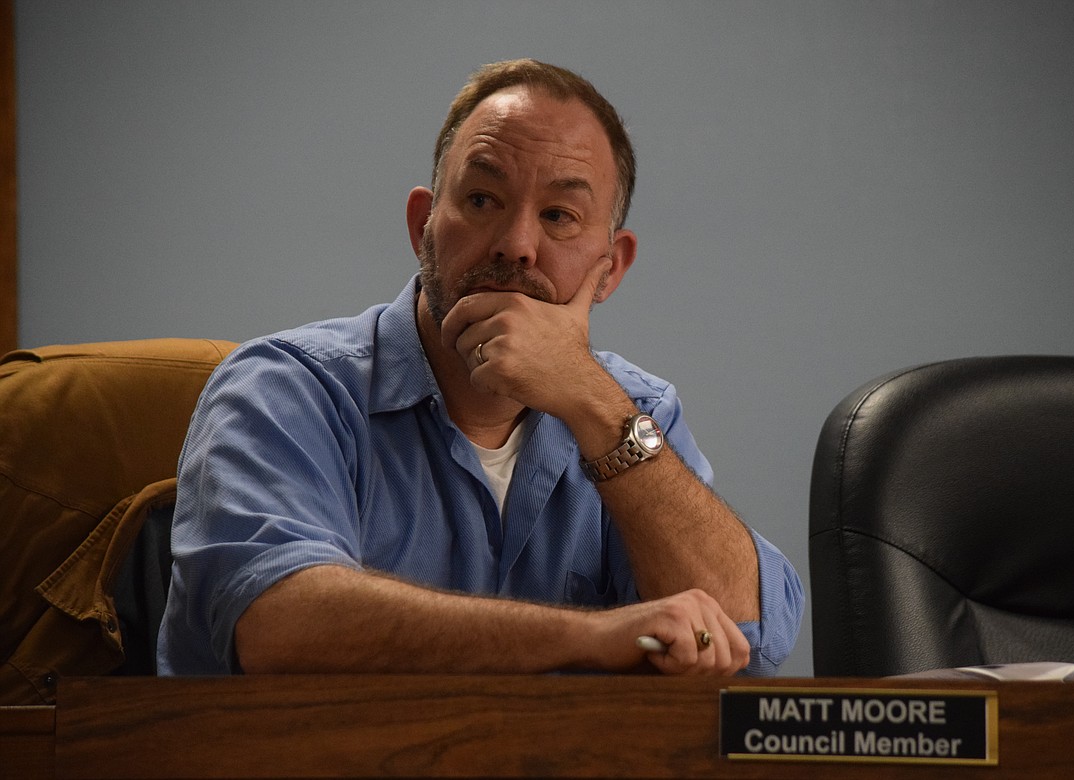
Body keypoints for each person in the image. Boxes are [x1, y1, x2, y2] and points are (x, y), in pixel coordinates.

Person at [157, 59, 803, 677]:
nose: (517, 245)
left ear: (611, 267)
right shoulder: (283, 389)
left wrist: (590, 401)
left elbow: (747, 634)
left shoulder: (633, 412)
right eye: (484, 198)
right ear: (423, 227)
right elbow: (277, 623)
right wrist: (586, 638)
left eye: (559, 216)